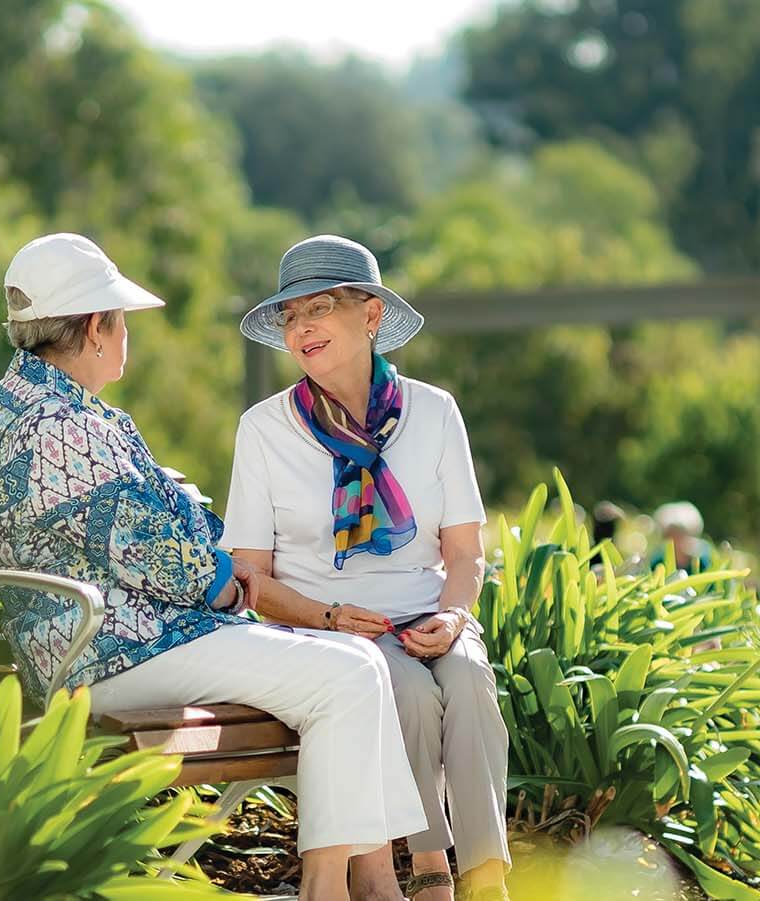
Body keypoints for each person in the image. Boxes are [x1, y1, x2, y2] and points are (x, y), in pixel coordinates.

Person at [0, 233, 427, 901]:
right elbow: (168, 555)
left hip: (121, 640)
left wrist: (212, 558)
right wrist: (225, 579)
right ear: (97, 328)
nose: (127, 335)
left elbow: (168, 525)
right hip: (108, 652)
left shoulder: (44, 408)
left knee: (354, 666)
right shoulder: (61, 426)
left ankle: (365, 885)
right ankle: (338, 891)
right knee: (346, 674)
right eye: (121, 321)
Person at [224, 235, 511, 901]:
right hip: (328, 628)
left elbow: (465, 554)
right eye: (291, 317)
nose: (302, 328)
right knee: (404, 689)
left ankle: (488, 879)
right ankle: (434, 873)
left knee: (467, 675)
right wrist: (327, 616)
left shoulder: (435, 412)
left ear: (371, 316)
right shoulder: (264, 430)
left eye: (318, 308)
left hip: (430, 613)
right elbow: (249, 576)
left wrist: (454, 615)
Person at [645, 501, 713, 574]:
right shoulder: (658, 561)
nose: (674, 539)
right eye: (670, 534)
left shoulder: (703, 559)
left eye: (679, 533)